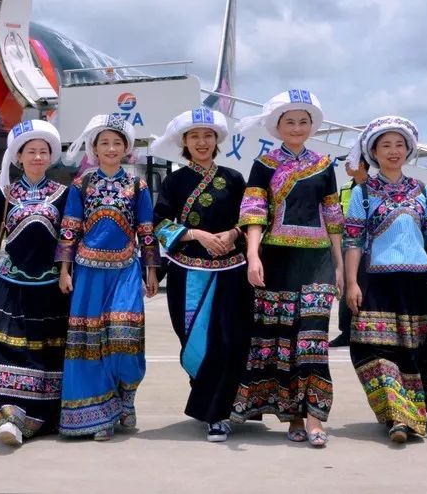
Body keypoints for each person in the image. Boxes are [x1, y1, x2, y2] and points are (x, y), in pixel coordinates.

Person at [230, 89, 344, 449]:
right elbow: (252, 212)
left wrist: (340, 266)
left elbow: (332, 217)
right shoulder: (264, 164)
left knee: (312, 339)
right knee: (281, 340)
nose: (297, 127)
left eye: (303, 121)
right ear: (277, 127)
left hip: (318, 263)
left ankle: (313, 417)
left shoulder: (325, 164)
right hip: (275, 261)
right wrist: (253, 255)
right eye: (289, 121)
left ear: (313, 126)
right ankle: (292, 414)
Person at [343, 116, 427, 444]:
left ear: (408, 150)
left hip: (417, 281)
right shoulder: (363, 193)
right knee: (371, 348)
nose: (393, 151)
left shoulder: (421, 192)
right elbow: (353, 242)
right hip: (376, 282)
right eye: (385, 145)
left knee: (413, 351)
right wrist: (350, 282)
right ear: (374, 151)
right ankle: (394, 413)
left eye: (399, 145)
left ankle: (406, 418)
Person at [56, 114, 161, 441]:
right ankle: (100, 415)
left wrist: (151, 269)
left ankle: (126, 398)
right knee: (90, 345)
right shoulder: (81, 184)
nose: (111, 148)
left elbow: (146, 230)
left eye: (117, 143)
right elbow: (70, 228)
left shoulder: (137, 185)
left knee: (123, 338)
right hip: (87, 272)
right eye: (105, 143)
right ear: (94, 149)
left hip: (126, 271)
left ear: (127, 149)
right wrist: (64, 269)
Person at [0, 119, 70, 447]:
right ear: (19, 157)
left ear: (50, 157)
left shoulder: (64, 194)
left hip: (51, 288)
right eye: (31, 152)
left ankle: (37, 419)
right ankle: (7, 413)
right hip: (10, 284)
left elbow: (69, 239)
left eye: (43, 152)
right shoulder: (7, 195)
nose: (37, 157)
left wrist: (69, 273)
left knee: (46, 351)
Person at [151, 107, 250, 442]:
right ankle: (212, 399)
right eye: (195, 136)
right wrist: (198, 236)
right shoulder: (174, 181)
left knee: (228, 340)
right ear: (184, 142)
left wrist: (234, 234)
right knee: (194, 341)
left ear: (217, 139)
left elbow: (252, 218)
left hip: (232, 271)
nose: (202, 142)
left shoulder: (235, 179)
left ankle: (216, 413)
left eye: (208, 136)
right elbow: (159, 226)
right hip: (187, 272)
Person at [330, 159, 369, 349]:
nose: (346, 165)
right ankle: (346, 332)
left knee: (366, 288)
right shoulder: (346, 187)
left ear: (362, 164)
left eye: (349, 162)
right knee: (346, 288)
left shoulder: (373, 185)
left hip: (369, 246)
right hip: (348, 244)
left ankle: (364, 330)